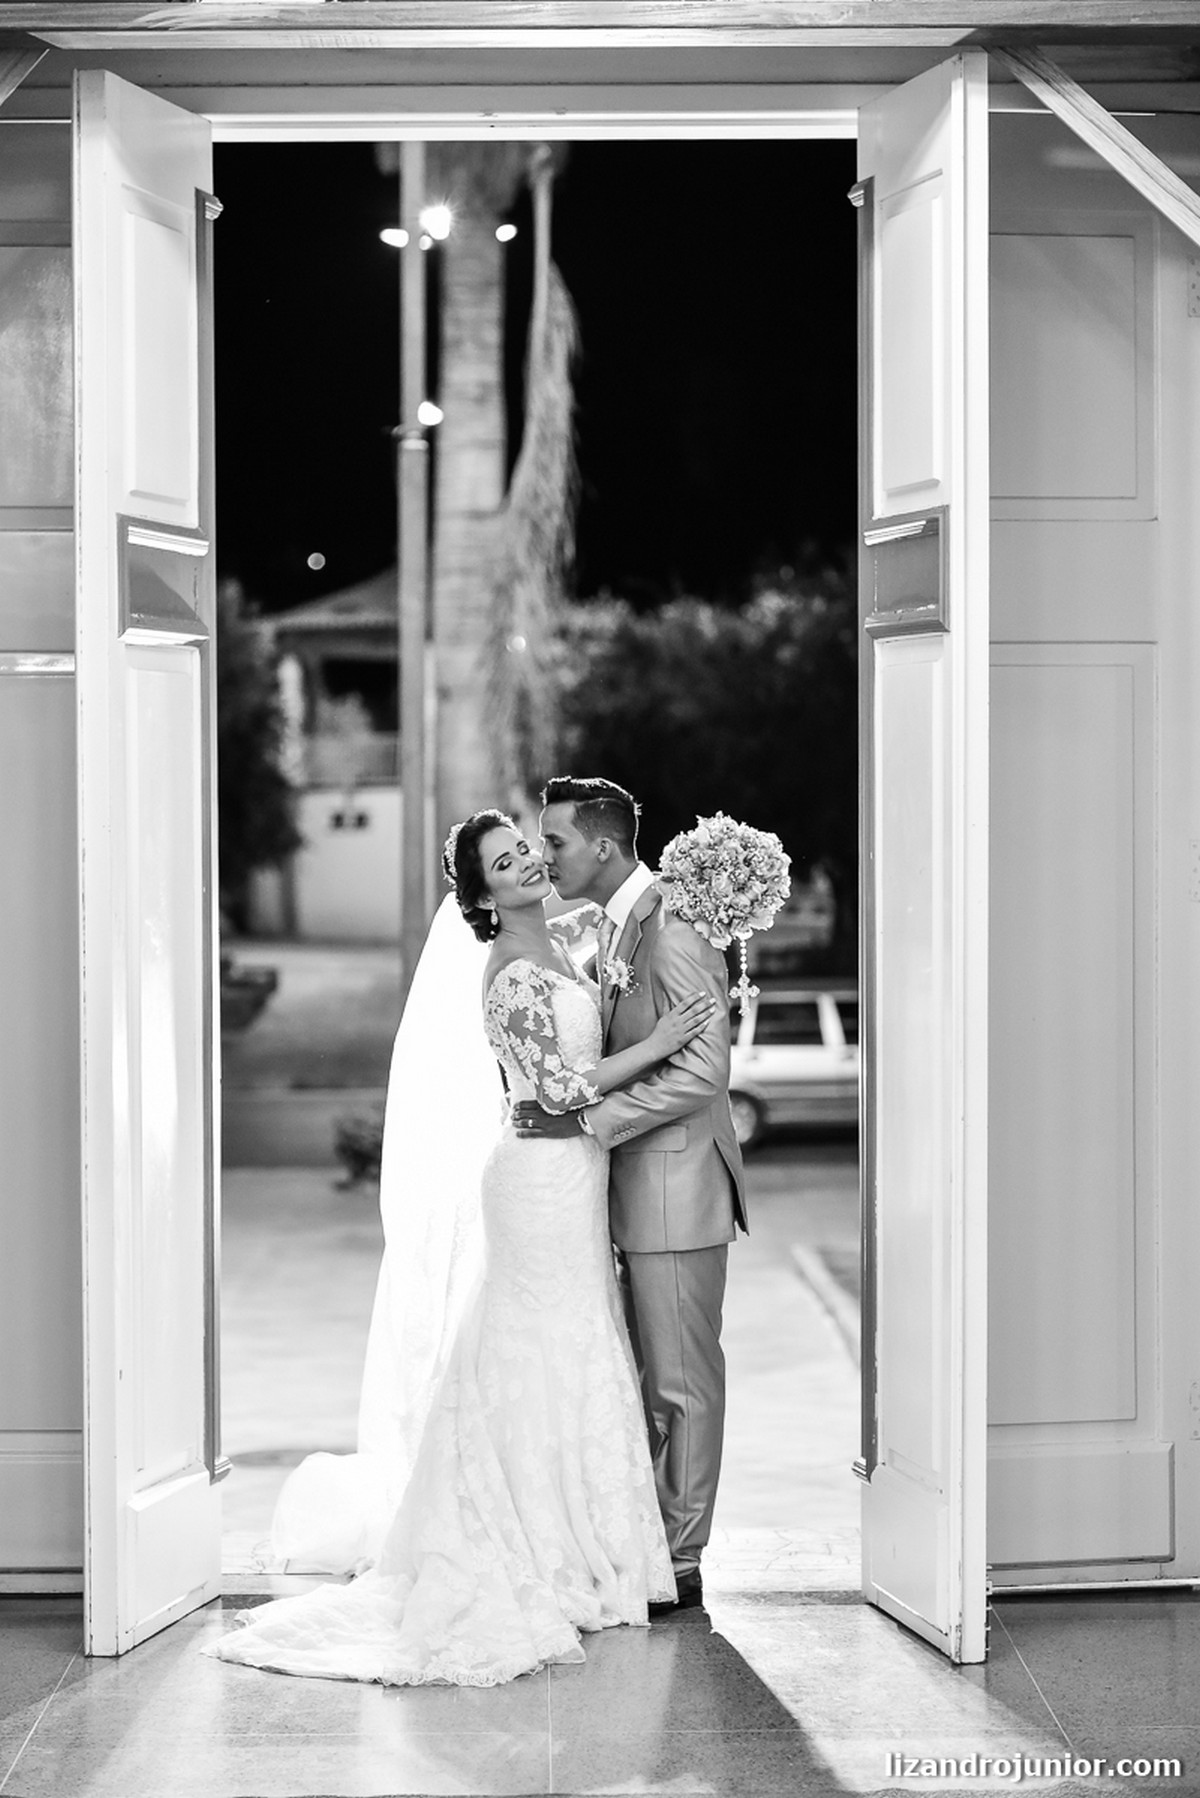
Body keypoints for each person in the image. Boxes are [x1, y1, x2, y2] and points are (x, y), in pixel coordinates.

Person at [206, 809, 718, 1687]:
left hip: (578, 1181)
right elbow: (558, 1091)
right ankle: (524, 1543)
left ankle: (583, 1538)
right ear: (479, 895)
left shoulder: (576, 941)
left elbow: (632, 927)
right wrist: (663, 1045)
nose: (525, 862)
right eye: (504, 862)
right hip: (538, 1179)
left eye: (526, 848)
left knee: (578, 1349)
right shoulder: (510, 974)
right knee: (539, 1350)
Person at [515, 776, 747, 1615]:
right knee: (647, 1382)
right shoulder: (620, 925)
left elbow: (703, 1070)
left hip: (676, 1190)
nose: (545, 856)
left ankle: (682, 1560)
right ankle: (648, 1540)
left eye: (556, 841)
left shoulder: (673, 925)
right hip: (629, 1193)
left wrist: (594, 1123)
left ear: (604, 847)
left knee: (683, 1383)